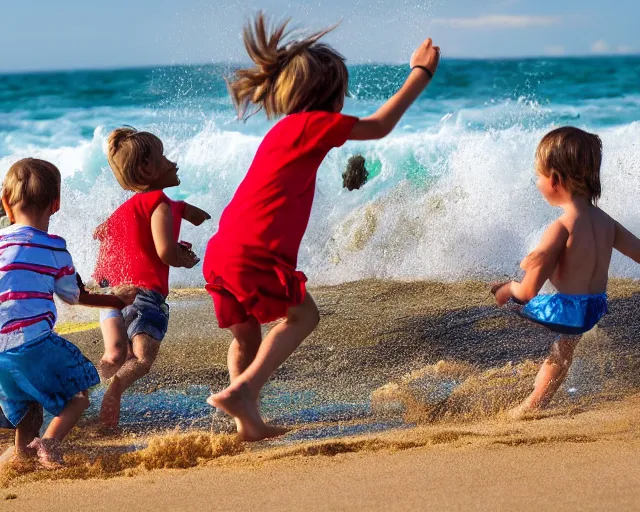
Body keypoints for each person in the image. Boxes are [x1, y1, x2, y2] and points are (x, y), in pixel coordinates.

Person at [204, 13, 440, 441]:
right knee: (303, 315)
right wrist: (420, 74)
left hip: (223, 251)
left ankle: (247, 421)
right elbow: (382, 125)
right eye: (343, 92)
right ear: (328, 95)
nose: (345, 101)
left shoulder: (285, 130)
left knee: (246, 337)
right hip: (255, 250)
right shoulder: (313, 124)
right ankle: (244, 391)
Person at [492, 127, 640, 418]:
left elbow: (529, 292)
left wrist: (508, 289)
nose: (537, 183)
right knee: (562, 350)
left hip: (567, 312)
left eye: (539, 176)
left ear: (555, 180)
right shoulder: (607, 222)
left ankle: (531, 406)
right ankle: (538, 400)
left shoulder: (560, 227)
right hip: (595, 307)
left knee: (515, 304)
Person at [0, 158, 131, 466]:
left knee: (27, 406)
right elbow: (75, 296)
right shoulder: (55, 248)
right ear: (55, 204)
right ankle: (50, 442)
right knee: (79, 393)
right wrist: (117, 301)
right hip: (34, 341)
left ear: (6, 203)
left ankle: (21, 459)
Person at [93, 128, 211, 427]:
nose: (173, 163)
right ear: (147, 168)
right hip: (144, 294)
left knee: (115, 354)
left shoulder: (122, 210)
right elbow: (164, 252)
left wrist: (184, 211)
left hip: (109, 295)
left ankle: (90, 398)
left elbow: (102, 237)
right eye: (165, 158)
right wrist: (181, 259)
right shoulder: (159, 202)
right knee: (142, 358)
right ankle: (115, 391)